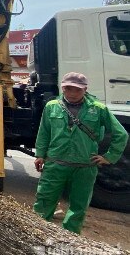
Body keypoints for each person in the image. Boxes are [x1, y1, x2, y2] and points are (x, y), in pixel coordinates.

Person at [33, 72, 128, 234]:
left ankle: (69, 239)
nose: (72, 93)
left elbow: (121, 134)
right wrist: (40, 154)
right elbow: (44, 132)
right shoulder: (52, 106)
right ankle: (36, 235)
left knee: (78, 206)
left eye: (77, 90)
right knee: (44, 202)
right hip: (55, 164)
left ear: (85, 89)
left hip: (85, 167)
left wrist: (109, 157)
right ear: (63, 88)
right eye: (68, 89)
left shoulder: (98, 109)